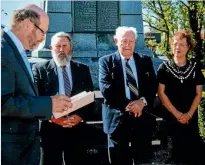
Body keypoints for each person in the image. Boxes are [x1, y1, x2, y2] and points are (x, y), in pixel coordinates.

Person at [1, 5, 72, 165]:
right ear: (27, 24)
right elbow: (2, 102)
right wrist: (49, 104)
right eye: (43, 32)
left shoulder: (15, 50)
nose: (42, 39)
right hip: (9, 152)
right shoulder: (3, 50)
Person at [32, 32, 94, 165]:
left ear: (70, 47)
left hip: (77, 129)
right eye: (57, 46)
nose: (61, 50)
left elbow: (90, 98)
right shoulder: (39, 69)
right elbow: (35, 98)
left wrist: (79, 117)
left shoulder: (82, 69)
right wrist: (53, 118)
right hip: (51, 128)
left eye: (64, 46)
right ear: (51, 48)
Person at [99, 26, 157, 165]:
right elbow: (106, 88)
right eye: (124, 41)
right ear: (116, 41)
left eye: (131, 41)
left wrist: (141, 103)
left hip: (142, 119)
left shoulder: (145, 61)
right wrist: (130, 105)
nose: (127, 45)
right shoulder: (106, 61)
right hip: (117, 121)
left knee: (143, 160)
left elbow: (152, 85)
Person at [157, 30, 205, 165]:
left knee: (193, 156)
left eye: (182, 44)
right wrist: (177, 114)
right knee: (173, 157)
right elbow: (161, 93)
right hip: (171, 119)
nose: (178, 47)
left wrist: (189, 114)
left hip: (191, 120)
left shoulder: (195, 68)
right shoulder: (163, 68)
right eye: (175, 44)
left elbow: (198, 94)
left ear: (188, 47)